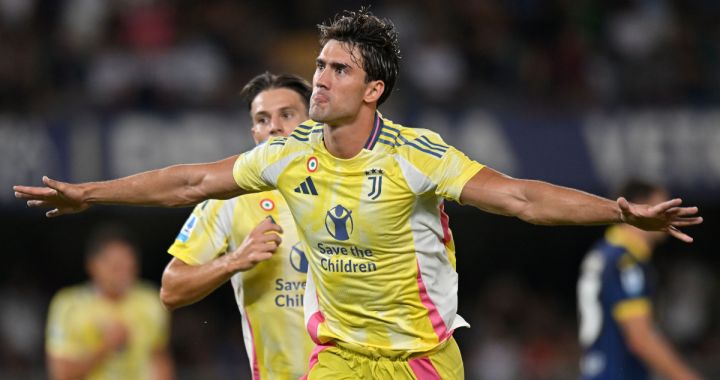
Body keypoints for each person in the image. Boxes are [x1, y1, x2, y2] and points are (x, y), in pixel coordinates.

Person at [16, 8, 702, 379]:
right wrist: (91, 193)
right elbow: (191, 181)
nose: (318, 79)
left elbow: (521, 198)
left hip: (420, 361)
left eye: (338, 69)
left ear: (373, 90)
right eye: (318, 65)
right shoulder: (287, 155)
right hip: (339, 357)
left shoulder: (416, 157)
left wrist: (616, 210)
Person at [159, 72, 314, 379]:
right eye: (262, 119)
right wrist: (235, 260)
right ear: (254, 132)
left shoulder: (347, 184)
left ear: (313, 122)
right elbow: (171, 289)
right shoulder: (231, 199)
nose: (274, 127)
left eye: (287, 114)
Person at [577, 180, 702, 380]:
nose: (671, 214)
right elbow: (640, 337)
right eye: (663, 206)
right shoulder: (626, 261)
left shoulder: (603, 253)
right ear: (641, 208)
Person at [45, 225, 174, 380]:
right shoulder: (68, 305)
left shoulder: (151, 301)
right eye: (116, 268)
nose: (123, 275)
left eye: (129, 268)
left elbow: (159, 360)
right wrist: (105, 346)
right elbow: (61, 374)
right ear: (93, 266)